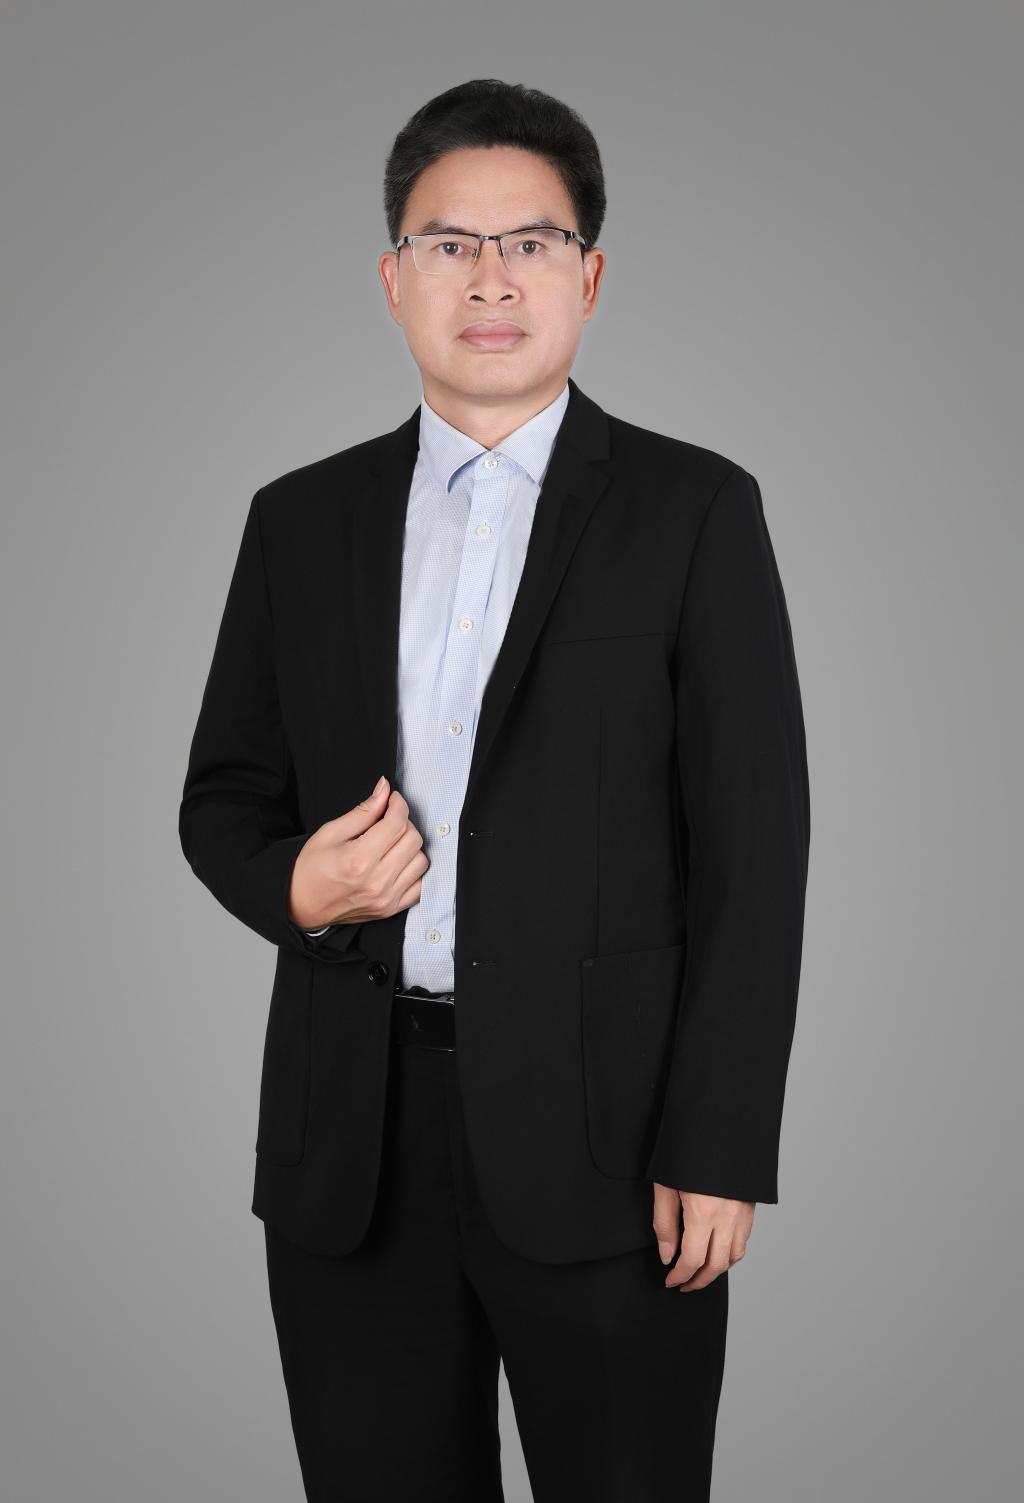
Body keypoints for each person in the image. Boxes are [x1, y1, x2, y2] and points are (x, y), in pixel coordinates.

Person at [179, 77, 811, 1503]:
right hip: (353, 1150)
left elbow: (754, 852)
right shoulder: (299, 520)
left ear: (589, 274)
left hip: (615, 1150)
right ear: (392, 279)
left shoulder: (694, 510)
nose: (490, 278)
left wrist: (721, 1145)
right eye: (449, 244)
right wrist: (298, 886)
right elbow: (222, 795)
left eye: (530, 242)